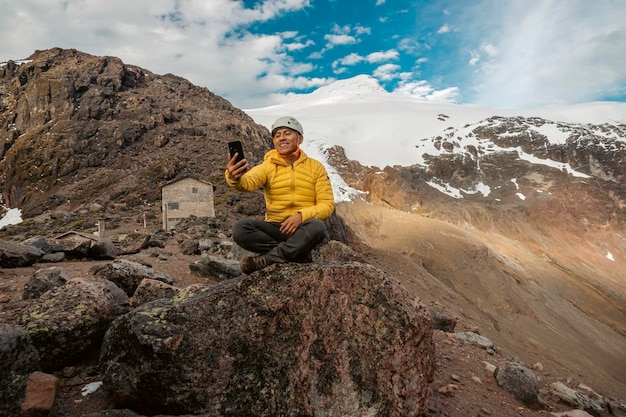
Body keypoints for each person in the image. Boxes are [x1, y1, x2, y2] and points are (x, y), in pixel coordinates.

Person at [225, 116, 335, 274]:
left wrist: (301, 216)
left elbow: (327, 205)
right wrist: (233, 177)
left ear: (300, 138)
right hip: (276, 228)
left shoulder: (315, 168)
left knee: (317, 227)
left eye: (287, 133)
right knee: (240, 229)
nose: (281, 138)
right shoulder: (268, 166)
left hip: (301, 228)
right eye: (277, 135)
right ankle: (296, 254)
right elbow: (247, 183)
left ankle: (266, 260)